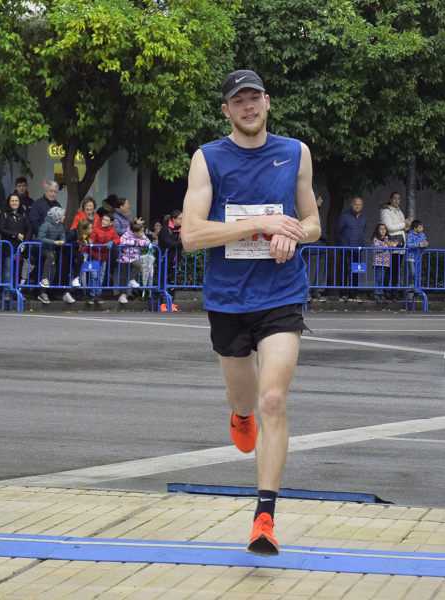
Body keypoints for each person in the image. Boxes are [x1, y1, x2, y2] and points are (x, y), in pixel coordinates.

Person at [180, 69, 321, 556]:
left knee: (275, 400)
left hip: (281, 294)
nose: (248, 107)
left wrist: (294, 232)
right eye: (238, 101)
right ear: (227, 110)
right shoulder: (209, 159)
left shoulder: (295, 152)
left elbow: (314, 221)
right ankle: (240, 415)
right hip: (228, 299)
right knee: (246, 401)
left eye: (255, 98)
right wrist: (260, 223)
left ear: (267, 102)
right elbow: (192, 234)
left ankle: (264, 516)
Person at [334, 197, 366, 302]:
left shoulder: (363, 218)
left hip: (357, 249)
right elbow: (337, 232)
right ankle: (343, 294)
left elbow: (363, 231)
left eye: (359, 204)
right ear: (351, 204)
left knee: (356, 271)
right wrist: (341, 245)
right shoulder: (344, 217)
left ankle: (354, 294)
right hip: (346, 249)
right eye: (356, 204)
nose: (357, 206)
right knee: (345, 271)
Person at [0, 192, 30, 297]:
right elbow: (1, 229)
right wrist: (15, 235)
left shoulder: (24, 214)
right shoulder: (4, 214)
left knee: (21, 270)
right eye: (12, 201)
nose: (14, 203)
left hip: (21, 247)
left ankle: (18, 292)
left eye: (16, 201)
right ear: (9, 202)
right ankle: (7, 291)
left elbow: (29, 229)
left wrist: (26, 242)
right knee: (8, 268)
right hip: (9, 247)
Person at [36, 206, 69, 305]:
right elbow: (40, 238)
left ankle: (45, 291)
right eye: (62, 216)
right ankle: (43, 283)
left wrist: (63, 241)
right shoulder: (46, 225)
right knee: (49, 256)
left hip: (52, 249)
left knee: (53, 269)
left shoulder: (60, 225)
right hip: (43, 248)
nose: (64, 217)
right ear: (57, 216)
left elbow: (63, 236)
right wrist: (54, 242)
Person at [380, 192, 409, 300]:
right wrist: (403, 224)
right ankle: (385, 291)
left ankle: (394, 291)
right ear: (391, 199)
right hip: (391, 244)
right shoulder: (386, 211)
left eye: (398, 198)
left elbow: (402, 227)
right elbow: (389, 227)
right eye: (395, 198)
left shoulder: (399, 211)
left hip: (400, 245)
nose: (397, 200)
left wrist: (406, 226)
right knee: (389, 269)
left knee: (396, 270)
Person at [88, 210, 121, 304]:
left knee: (101, 276)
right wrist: (91, 242)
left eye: (106, 220)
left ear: (111, 223)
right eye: (103, 219)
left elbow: (118, 239)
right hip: (95, 255)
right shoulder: (96, 228)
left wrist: (112, 242)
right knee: (94, 275)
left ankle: (98, 294)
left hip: (104, 256)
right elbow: (92, 238)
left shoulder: (113, 230)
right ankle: (92, 294)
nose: (103, 221)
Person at [117, 221, 151, 303]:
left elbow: (147, 241)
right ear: (135, 233)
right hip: (124, 257)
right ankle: (122, 295)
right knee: (123, 277)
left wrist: (140, 243)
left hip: (133, 257)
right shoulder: (127, 234)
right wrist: (134, 243)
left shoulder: (141, 235)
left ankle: (131, 279)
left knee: (138, 265)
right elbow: (121, 241)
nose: (142, 233)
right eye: (141, 232)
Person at [158, 210, 183, 312]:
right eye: (180, 219)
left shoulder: (182, 229)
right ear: (173, 219)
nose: (183, 221)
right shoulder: (165, 229)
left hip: (175, 258)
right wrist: (181, 243)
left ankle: (171, 302)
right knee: (163, 280)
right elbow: (169, 243)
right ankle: (161, 303)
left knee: (172, 280)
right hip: (164, 258)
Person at [371, 223, 396, 303]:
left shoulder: (387, 239)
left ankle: (381, 293)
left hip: (385, 261)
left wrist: (392, 246)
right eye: (381, 229)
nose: (383, 231)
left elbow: (389, 249)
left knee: (382, 278)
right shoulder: (376, 239)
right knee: (378, 277)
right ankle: (376, 293)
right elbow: (378, 249)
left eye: (384, 229)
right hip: (378, 261)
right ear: (377, 230)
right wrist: (387, 246)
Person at [405, 220, 428, 300]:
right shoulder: (410, 235)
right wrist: (418, 245)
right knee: (412, 271)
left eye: (422, 227)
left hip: (418, 256)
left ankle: (417, 286)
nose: (422, 229)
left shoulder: (422, 235)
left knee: (417, 272)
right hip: (411, 256)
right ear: (415, 228)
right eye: (420, 227)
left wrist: (425, 245)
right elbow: (408, 245)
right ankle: (411, 284)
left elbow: (424, 243)